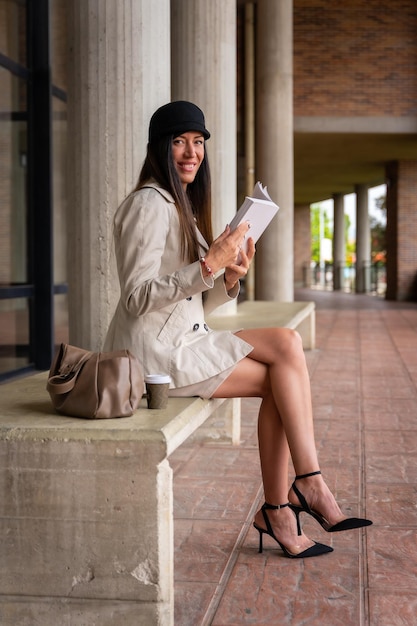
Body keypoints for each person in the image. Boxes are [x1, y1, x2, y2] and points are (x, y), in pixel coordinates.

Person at [104, 100, 372, 559]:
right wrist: (210, 262)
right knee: (283, 360)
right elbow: (136, 296)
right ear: (159, 148)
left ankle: (284, 505)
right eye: (179, 142)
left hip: (180, 340)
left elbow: (195, 296)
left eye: (198, 142)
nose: (191, 152)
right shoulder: (148, 204)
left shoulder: (181, 206)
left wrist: (229, 276)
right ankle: (301, 489)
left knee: (282, 368)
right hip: (152, 357)